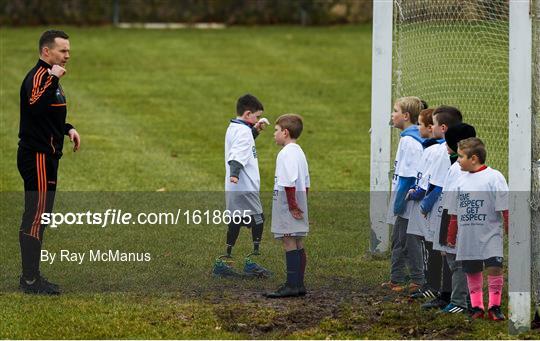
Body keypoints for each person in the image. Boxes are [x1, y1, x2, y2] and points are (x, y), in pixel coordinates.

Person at [18, 29, 81, 295]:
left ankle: (31, 277)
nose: (68, 55)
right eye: (62, 50)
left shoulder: (50, 77)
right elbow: (34, 104)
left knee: (41, 216)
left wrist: (67, 128)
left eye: (68, 50)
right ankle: (31, 280)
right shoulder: (41, 76)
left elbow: (47, 114)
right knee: (36, 216)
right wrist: (53, 78)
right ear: (47, 51)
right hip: (38, 157)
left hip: (47, 155)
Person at [447, 137, 508, 321]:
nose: (458, 160)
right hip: (468, 236)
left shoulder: (494, 177)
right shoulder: (460, 181)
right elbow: (454, 213)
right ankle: (476, 307)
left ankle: (495, 306)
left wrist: (509, 226)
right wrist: (451, 235)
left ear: (473, 158)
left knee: (494, 268)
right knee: (472, 270)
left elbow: (505, 207)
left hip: (491, 234)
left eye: (461, 156)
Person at [213, 94, 270, 277]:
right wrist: (235, 174)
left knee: (236, 222)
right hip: (245, 187)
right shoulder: (243, 132)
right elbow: (237, 155)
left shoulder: (234, 127)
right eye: (256, 116)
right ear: (247, 114)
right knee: (258, 220)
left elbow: (242, 145)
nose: (258, 119)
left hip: (235, 190)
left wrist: (255, 130)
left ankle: (223, 263)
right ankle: (252, 262)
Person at [418, 105, 463, 309]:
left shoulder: (444, 154)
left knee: (444, 251)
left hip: (443, 210)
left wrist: (424, 207)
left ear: (443, 128)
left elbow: (435, 186)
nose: (431, 127)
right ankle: (446, 293)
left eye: (434, 124)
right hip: (446, 210)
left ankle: (445, 294)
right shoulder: (449, 153)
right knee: (445, 251)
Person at [432, 123, 477, 314]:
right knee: (451, 257)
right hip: (448, 214)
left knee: (457, 260)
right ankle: (459, 298)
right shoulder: (456, 165)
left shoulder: (462, 169)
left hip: (454, 217)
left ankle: (460, 302)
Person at [265, 114, 310, 298]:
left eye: (276, 131)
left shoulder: (286, 153)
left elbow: (289, 182)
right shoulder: (299, 152)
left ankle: (292, 285)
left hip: (287, 204)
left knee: (288, 240)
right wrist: (301, 204)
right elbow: (306, 183)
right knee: (298, 241)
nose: (274, 134)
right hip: (299, 202)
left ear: (285, 132)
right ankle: (298, 284)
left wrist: (292, 206)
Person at [382, 96, 424, 292]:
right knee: (400, 240)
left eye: (395, 110)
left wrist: (398, 204)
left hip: (408, 201)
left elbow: (408, 178)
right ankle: (399, 278)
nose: (392, 114)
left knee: (407, 241)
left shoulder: (409, 141)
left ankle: (414, 280)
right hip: (406, 199)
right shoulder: (410, 138)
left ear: (406, 116)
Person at [406, 108, 445, 298]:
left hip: (431, 208)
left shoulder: (436, 151)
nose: (418, 128)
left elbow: (430, 184)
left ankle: (432, 286)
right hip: (431, 207)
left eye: (420, 124)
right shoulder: (432, 148)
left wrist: (419, 199)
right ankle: (432, 285)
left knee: (431, 248)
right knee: (433, 248)